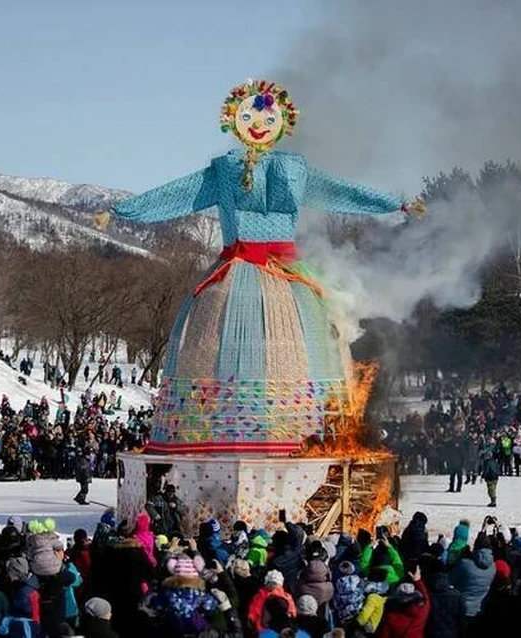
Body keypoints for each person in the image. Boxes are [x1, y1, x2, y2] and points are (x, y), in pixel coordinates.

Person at [101, 78, 422, 457]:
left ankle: (311, 433)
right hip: (236, 271)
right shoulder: (224, 172)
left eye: (266, 115)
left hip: (287, 278)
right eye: (249, 115)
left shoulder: (295, 171)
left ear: (282, 121)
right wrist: (123, 211)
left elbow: (342, 191)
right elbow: (177, 194)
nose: (257, 123)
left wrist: (391, 204)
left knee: (310, 343)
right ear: (235, 120)